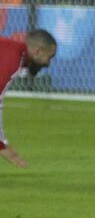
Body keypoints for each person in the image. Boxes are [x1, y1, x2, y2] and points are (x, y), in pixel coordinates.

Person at [0, 29, 57, 170]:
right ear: (38, 51)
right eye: (49, 57)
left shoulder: (10, 51)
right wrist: (1, 144)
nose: (48, 64)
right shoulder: (13, 59)